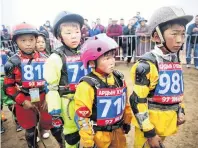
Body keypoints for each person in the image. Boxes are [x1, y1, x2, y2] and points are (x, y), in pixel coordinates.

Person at [129, 6, 193, 148]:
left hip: (165, 123)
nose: (179, 40)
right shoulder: (146, 65)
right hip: (148, 126)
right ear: (156, 36)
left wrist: (180, 110)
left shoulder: (174, 60)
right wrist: (149, 132)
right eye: (174, 34)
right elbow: (136, 100)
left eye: (183, 34)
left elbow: (177, 90)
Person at [74, 34, 132, 148]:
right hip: (99, 135)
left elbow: (125, 103)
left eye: (112, 57)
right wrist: (88, 142)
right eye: (106, 58)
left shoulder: (119, 78)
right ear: (91, 63)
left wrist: (127, 120)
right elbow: (82, 117)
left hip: (118, 132)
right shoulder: (86, 85)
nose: (112, 62)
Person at [43, 11, 91, 148]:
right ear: (59, 36)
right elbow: (51, 87)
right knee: (72, 136)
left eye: (77, 31)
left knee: (91, 132)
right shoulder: (55, 58)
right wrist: (55, 112)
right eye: (68, 33)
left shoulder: (87, 52)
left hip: (87, 100)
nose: (74, 36)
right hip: (68, 104)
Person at [3, 23, 53, 148]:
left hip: (43, 96)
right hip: (25, 98)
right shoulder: (12, 63)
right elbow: (8, 87)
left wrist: (49, 96)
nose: (28, 43)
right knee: (30, 131)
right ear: (16, 42)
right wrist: (22, 101)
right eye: (23, 40)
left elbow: (51, 80)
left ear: (36, 39)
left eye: (31, 39)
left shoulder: (45, 58)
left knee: (52, 124)